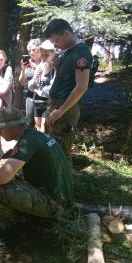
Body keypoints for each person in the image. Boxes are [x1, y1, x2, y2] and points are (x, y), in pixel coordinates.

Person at [0, 107, 74, 248]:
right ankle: (34, 218)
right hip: (62, 199)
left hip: (55, 205)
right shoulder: (37, 136)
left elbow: (1, 179)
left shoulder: (27, 142)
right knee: (14, 179)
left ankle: (14, 233)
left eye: (1, 129)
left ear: (14, 127)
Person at [44, 18, 93, 162]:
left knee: (61, 151)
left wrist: (60, 111)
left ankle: (63, 182)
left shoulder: (81, 52)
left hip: (66, 109)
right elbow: (66, 80)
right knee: (52, 145)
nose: (56, 46)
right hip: (57, 105)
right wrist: (57, 66)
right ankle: (51, 180)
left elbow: (81, 86)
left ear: (66, 34)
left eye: (56, 41)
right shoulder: (67, 52)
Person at [28, 40, 56, 132]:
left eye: (46, 55)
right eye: (42, 54)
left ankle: (47, 146)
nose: (43, 57)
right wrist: (35, 78)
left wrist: (38, 90)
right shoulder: (40, 66)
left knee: (45, 131)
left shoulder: (55, 69)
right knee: (38, 129)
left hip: (48, 105)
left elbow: (52, 90)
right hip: (37, 104)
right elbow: (30, 88)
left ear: (53, 54)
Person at [19, 39, 42, 128]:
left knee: (41, 125)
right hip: (30, 96)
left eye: (33, 50)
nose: (31, 53)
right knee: (29, 122)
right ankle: (30, 141)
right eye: (29, 51)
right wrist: (23, 69)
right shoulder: (28, 64)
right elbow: (21, 82)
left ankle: (43, 141)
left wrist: (36, 67)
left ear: (39, 49)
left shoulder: (45, 62)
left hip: (43, 97)